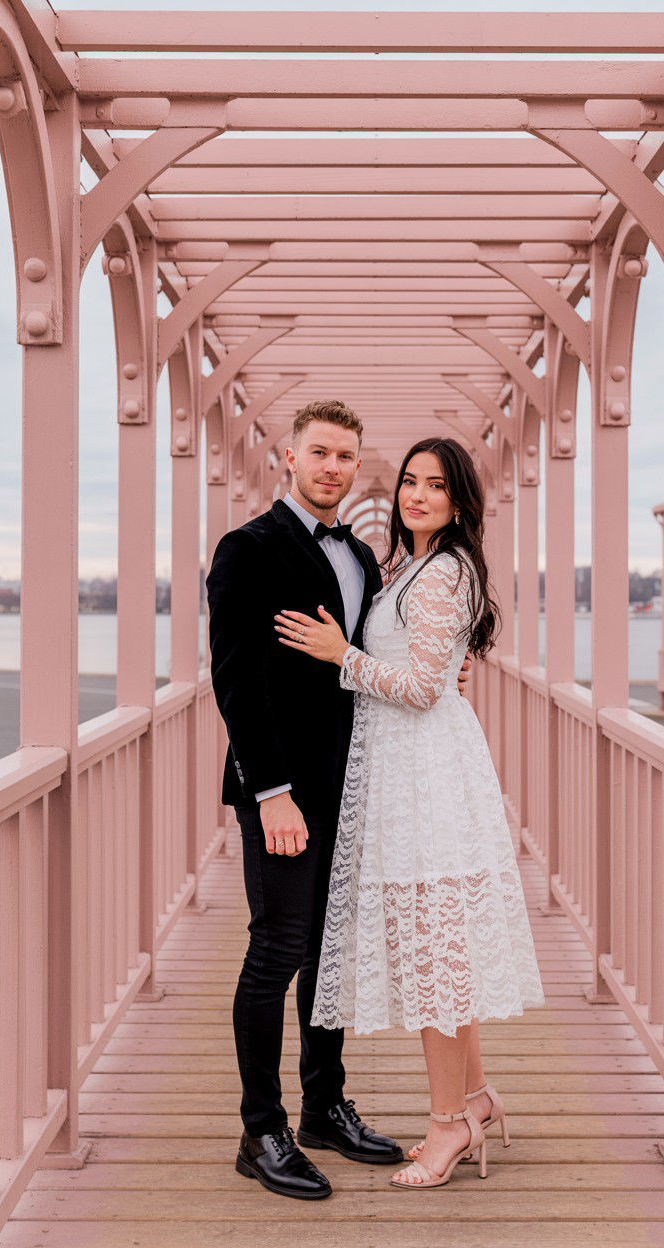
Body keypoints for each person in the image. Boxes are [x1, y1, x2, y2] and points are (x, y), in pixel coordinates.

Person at [206, 402, 469, 1201]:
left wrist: (444, 675)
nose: (332, 468)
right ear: (287, 458)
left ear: (358, 468)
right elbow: (235, 681)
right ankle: (263, 1130)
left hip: (353, 785)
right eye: (319, 453)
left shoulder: (361, 552)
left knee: (330, 957)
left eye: (346, 457)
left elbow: (380, 655)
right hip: (282, 791)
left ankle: (324, 1106)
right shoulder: (246, 549)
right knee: (277, 951)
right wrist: (272, 792)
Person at [274, 436, 546, 1191]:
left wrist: (341, 655)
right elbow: (433, 668)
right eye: (409, 482)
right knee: (443, 950)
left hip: (426, 776)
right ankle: (479, 1098)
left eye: (435, 486)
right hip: (412, 767)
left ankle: (446, 1126)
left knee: (434, 958)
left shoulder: (442, 572)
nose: (417, 496)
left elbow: (425, 689)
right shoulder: (416, 566)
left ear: (459, 501)